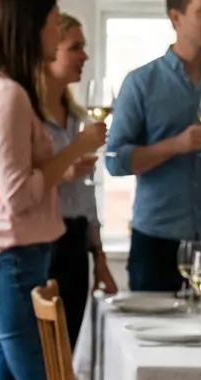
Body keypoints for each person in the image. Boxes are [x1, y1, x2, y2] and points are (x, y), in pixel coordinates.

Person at [0, 0, 106, 380]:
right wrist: (75, 146)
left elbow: (19, 184)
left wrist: (64, 162)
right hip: (9, 263)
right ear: (34, 30)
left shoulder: (3, 90)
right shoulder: (9, 95)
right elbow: (20, 196)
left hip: (10, 262)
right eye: (51, 23)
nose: (55, 31)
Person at [106, 0, 201, 292]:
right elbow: (115, 160)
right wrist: (175, 145)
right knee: (149, 338)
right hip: (155, 246)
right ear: (175, 17)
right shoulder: (141, 82)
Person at [44, 13, 118, 350]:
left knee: (68, 349)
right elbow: (17, 186)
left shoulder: (77, 119)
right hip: (41, 244)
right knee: (41, 358)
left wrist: (98, 255)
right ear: (49, 48)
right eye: (75, 47)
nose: (84, 56)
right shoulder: (27, 115)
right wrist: (65, 171)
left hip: (75, 245)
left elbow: (87, 194)